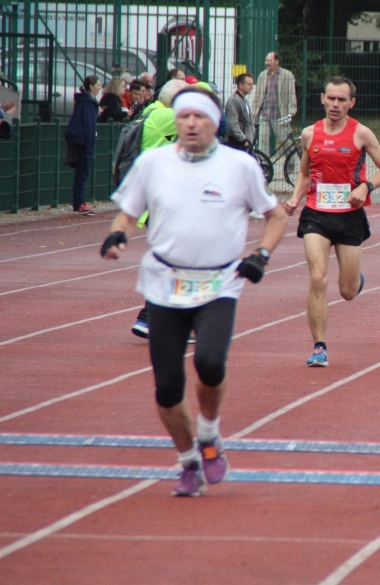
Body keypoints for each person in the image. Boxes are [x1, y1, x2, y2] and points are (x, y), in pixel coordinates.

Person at [102, 87, 288, 496]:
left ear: (214, 123)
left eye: (198, 117)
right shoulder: (153, 163)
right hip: (164, 284)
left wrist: (260, 255)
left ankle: (209, 433)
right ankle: (188, 461)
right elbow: (129, 213)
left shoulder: (239, 166)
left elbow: (275, 216)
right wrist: (118, 234)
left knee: (209, 362)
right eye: (183, 116)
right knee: (168, 387)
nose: (189, 123)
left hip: (218, 283)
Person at [283, 76, 380, 367]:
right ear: (322, 99)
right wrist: (295, 198)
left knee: (347, 292)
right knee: (317, 278)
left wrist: (365, 187)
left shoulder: (362, 133)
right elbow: (305, 173)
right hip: (316, 213)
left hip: (349, 215)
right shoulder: (309, 134)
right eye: (331, 98)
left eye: (341, 99)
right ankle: (319, 346)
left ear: (351, 103)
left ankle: (355, 280)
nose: (335, 104)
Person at [129, 78, 189, 339]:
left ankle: (157, 319)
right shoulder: (163, 116)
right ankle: (149, 318)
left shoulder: (153, 113)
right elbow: (210, 119)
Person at [65, 76, 101, 215]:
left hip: (82, 142)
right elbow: (89, 125)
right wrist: (88, 143)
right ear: (91, 86)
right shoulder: (88, 103)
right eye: (98, 85)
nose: (100, 88)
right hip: (84, 143)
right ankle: (79, 202)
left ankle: (79, 202)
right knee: (82, 173)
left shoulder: (85, 101)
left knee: (81, 173)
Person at [253, 52, 297, 156]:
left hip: (279, 114)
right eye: (266, 61)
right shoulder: (262, 75)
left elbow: (291, 94)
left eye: (269, 61)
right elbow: (257, 95)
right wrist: (255, 111)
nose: (266, 63)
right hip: (264, 114)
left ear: (277, 62)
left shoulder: (287, 75)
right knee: (263, 142)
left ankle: (291, 162)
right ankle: (264, 163)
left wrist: (292, 110)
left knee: (284, 141)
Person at [223, 73, 256, 151]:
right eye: (249, 84)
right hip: (237, 143)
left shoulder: (244, 100)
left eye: (252, 84)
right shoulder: (233, 101)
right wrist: (243, 140)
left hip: (246, 142)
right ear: (241, 85)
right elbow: (232, 124)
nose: (251, 87)